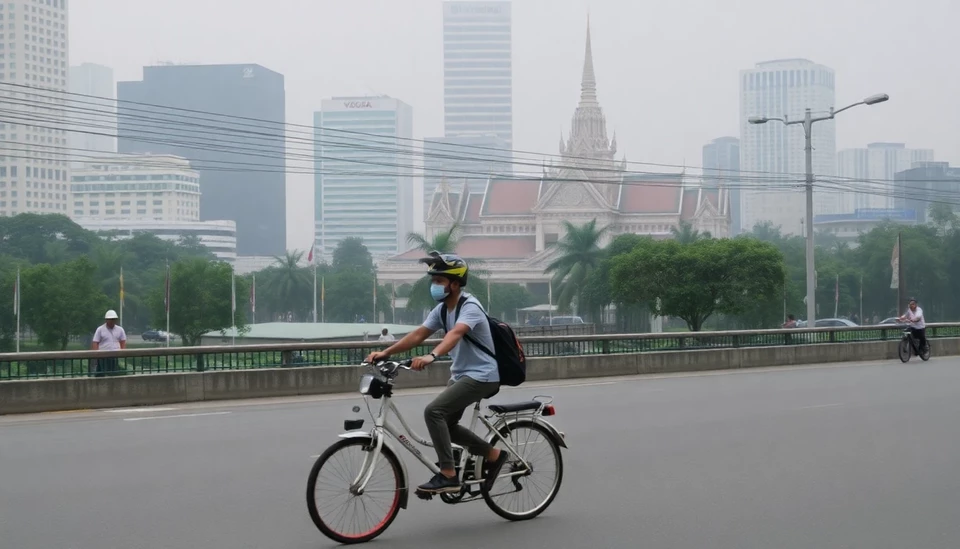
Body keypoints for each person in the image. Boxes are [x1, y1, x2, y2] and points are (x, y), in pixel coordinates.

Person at [365, 251, 508, 495]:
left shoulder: (470, 306)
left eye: (439, 281)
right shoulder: (442, 310)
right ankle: (494, 455)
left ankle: (448, 474)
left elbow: (455, 334)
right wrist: (386, 353)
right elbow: (418, 335)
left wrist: (432, 356)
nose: (434, 286)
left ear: (455, 283)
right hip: (463, 375)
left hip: (483, 375)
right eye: (433, 281)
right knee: (448, 425)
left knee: (434, 412)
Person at [91, 309, 127, 377]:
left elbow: (123, 341)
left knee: (113, 373)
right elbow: (95, 342)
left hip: (114, 355)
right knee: (101, 373)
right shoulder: (100, 329)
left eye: (113, 319)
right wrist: (96, 354)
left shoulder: (120, 329)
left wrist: (122, 352)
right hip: (102, 356)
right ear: (106, 320)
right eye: (110, 319)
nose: (112, 321)